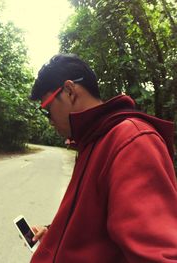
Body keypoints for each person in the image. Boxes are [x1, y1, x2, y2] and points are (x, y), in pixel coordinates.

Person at [29, 54, 177, 262]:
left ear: (70, 91)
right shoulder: (93, 140)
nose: (50, 121)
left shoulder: (132, 141)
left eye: (48, 110)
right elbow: (94, 226)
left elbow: (157, 252)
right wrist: (55, 233)